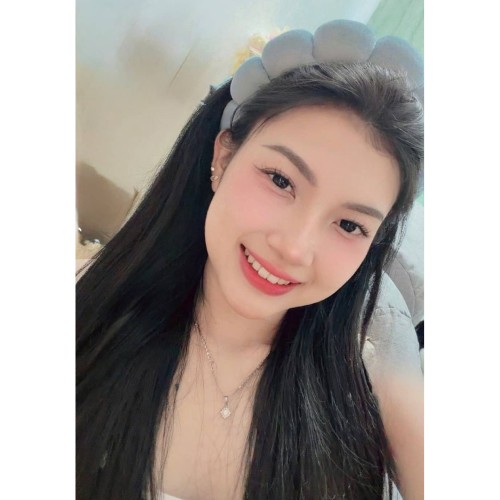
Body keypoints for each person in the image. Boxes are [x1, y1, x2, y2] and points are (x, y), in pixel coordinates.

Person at [76, 20, 424, 500]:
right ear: (223, 158)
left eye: (349, 225)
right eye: (281, 181)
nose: (295, 248)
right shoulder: (88, 315)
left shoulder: (370, 354)